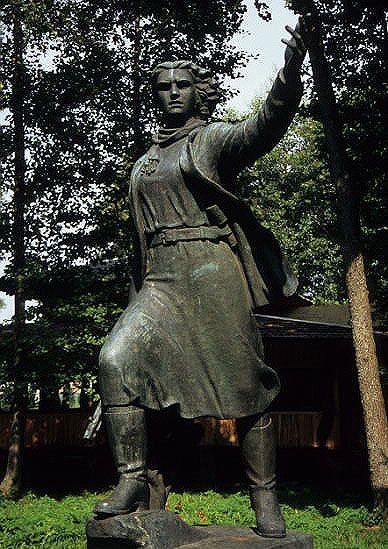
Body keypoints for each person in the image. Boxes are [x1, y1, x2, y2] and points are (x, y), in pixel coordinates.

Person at [95, 20, 307, 538]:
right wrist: (132, 298)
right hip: (160, 282)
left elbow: (260, 130)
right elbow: (140, 246)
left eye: (181, 85)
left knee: (247, 387)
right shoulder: (144, 162)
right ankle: (130, 482)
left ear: (197, 92)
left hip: (212, 274)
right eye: (163, 87)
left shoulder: (209, 140)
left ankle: (265, 498)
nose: (172, 93)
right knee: (115, 360)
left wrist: (288, 75)